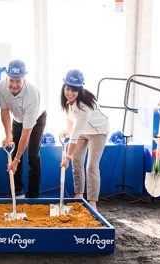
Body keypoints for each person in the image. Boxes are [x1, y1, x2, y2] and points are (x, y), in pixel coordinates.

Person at [60, 69, 109, 210]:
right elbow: (70, 116)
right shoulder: (67, 99)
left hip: (98, 131)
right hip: (82, 131)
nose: (70, 93)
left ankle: (92, 202)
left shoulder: (85, 106)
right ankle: (79, 195)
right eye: (68, 88)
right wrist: (67, 130)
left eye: (74, 90)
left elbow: (75, 135)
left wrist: (66, 158)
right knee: (77, 162)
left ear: (80, 90)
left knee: (91, 166)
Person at [0, 59, 46, 198]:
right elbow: (5, 111)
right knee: (13, 152)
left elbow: (27, 131)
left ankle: (32, 195)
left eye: (18, 81)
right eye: (11, 80)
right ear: (7, 77)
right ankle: (17, 191)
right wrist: (8, 135)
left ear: (24, 79)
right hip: (17, 119)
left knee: (32, 155)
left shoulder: (32, 95)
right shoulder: (1, 87)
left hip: (36, 120)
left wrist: (17, 160)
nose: (14, 84)